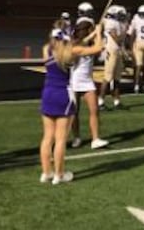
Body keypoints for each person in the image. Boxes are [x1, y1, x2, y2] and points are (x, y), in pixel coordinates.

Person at [38, 28, 78, 184]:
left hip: (48, 94)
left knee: (47, 137)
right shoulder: (69, 53)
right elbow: (90, 49)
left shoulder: (46, 49)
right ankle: (59, 174)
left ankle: (46, 172)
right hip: (63, 95)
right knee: (60, 139)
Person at [69, 19, 108, 149]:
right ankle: (76, 137)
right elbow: (99, 48)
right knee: (74, 112)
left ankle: (95, 139)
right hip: (74, 81)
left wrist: (96, 33)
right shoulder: (75, 44)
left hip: (87, 81)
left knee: (94, 110)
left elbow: (95, 47)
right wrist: (98, 33)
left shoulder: (87, 42)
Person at [99, 6, 126, 110]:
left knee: (117, 78)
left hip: (117, 51)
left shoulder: (117, 23)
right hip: (111, 50)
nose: (122, 17)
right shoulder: (110, 23)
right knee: (107, 77)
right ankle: (100, 101)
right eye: (120, 15)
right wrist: (124, 32)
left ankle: (116, 101)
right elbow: (117, 39)